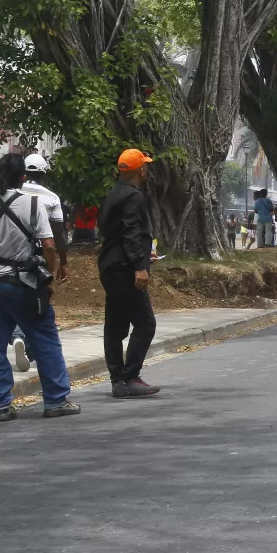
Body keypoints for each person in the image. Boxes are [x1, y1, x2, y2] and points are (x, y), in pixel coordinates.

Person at [0, 152, 79, 420]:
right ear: (23, 177)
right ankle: (55, 401)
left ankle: (2, 406)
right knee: (44, 339)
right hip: (24, 283)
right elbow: (49, 246)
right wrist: (48, 278)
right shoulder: (33, 205)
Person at [98, 148, 162, 399]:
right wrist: (139, 265)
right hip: (125, 268)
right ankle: (129, 376)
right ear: (140, 170)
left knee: (115, 325)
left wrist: (144, 254)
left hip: (110, 265)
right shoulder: (134, 197)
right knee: (145, 323)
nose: (147, 169)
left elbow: (114, 232)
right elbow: (131, 231)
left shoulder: (112, 194)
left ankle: (118, 380)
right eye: (145, 166)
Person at [8, 153, 70, 375]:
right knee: (38, 299)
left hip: (13, 255)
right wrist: (62, 263)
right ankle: (29, 346)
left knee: (16, 297)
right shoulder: (52, 198)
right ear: (44, 174)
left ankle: (17, 337)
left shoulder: (13, 193)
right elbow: (58, 235)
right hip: (40, 256)